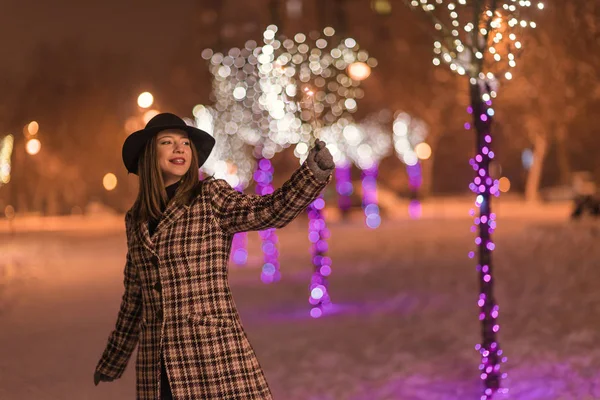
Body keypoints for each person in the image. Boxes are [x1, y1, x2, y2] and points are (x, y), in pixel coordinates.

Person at [93, 112, 334, 399]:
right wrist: (114, 359)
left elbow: (270, 211)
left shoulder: (210, 198)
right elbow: (135, 298)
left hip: (211, 358)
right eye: (167, 142)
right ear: (148, 155)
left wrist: (311, 175)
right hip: (157, 370)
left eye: (184, 143)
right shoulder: (136, 219)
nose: (179, 148)